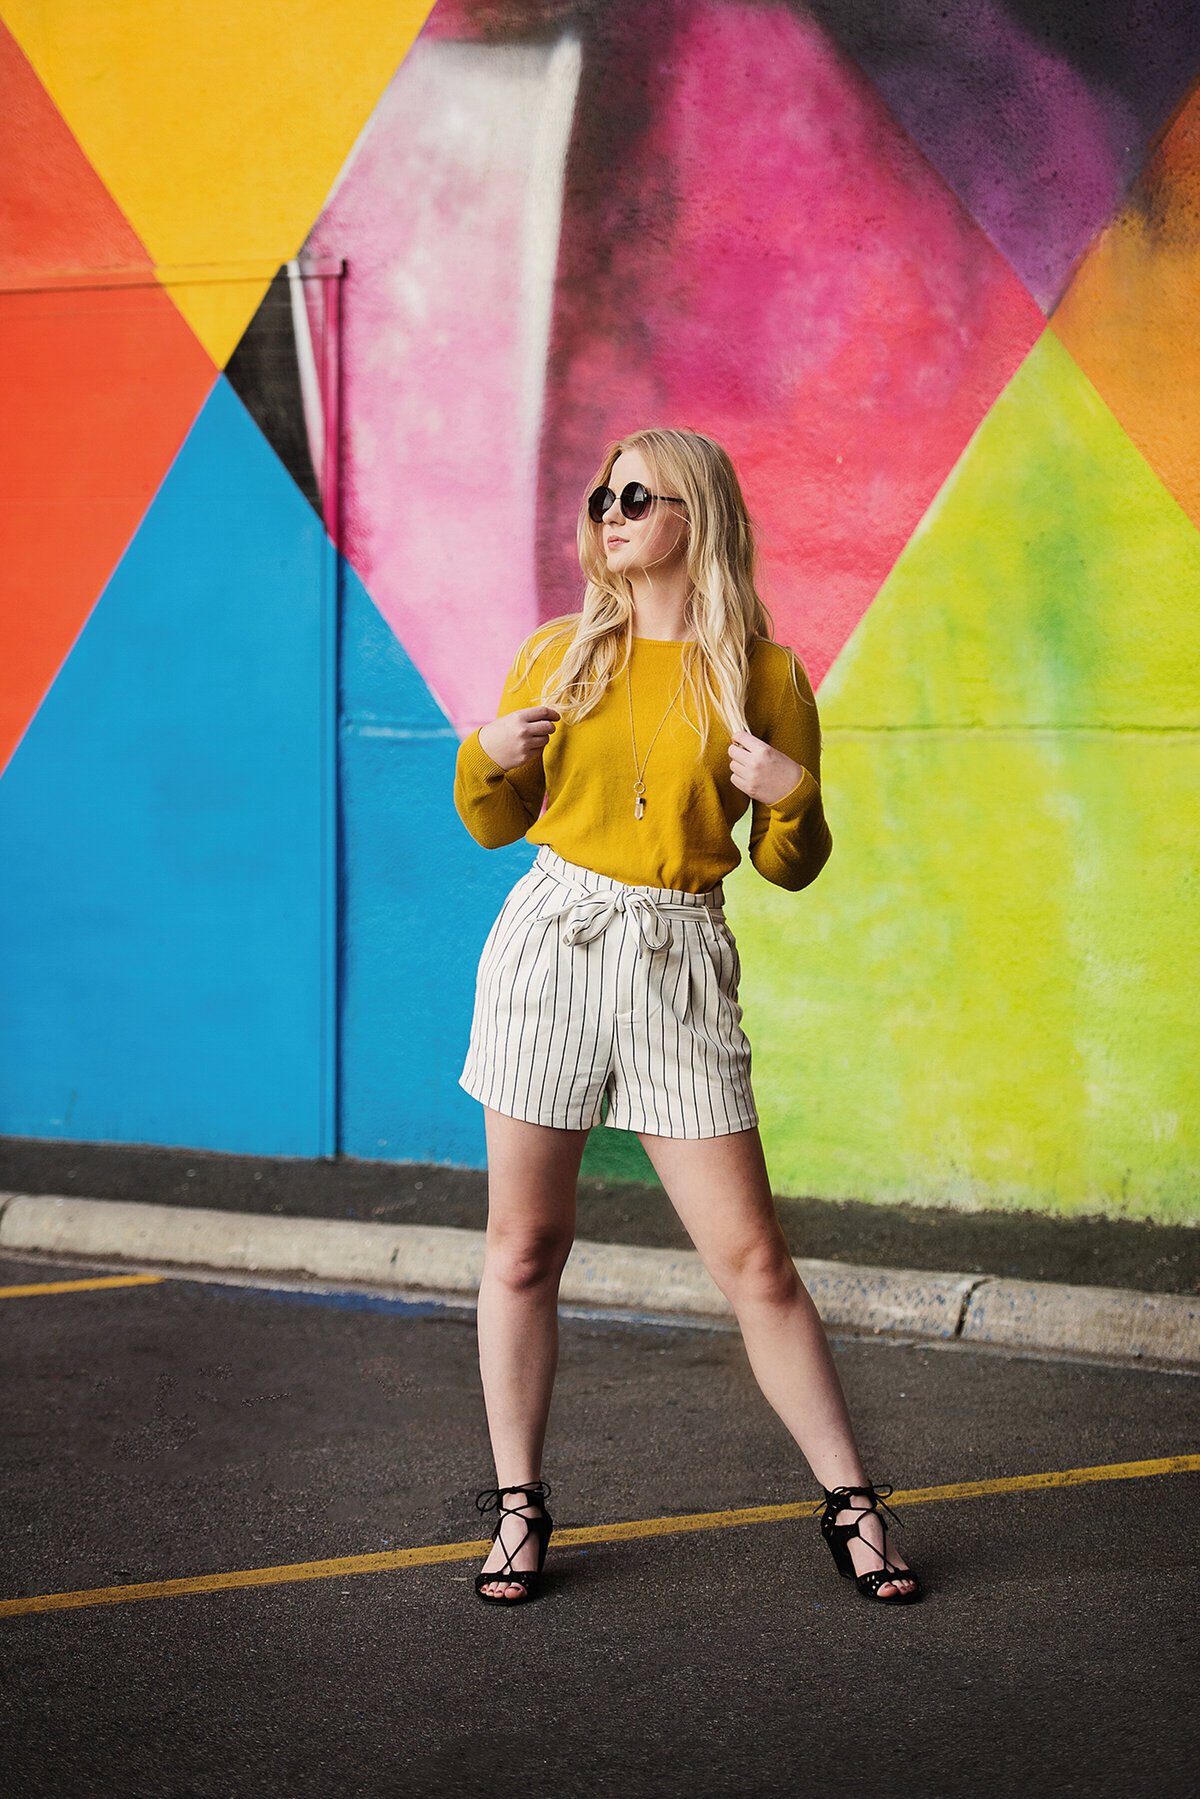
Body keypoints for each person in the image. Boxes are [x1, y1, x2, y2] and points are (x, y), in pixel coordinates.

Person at [453, 428, 921, 1607]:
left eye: (635, 495)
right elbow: (495, 823)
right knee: (523, 1245)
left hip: (678, 952)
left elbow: (790, 863)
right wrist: (485, 754)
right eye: (602, 495)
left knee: (755, 1260)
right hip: (551, 944)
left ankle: (854, 1505)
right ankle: (518, 1505)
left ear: (693, 513)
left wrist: (792, 795)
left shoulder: (766, 676)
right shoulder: (556, 655)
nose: (610, 512)